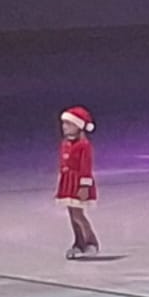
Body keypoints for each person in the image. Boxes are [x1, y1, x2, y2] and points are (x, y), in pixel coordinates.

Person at [56, 106, 99, 259]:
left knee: (77, 215)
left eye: (69, 124)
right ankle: (79, 243)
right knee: (72, 215)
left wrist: (84, 185)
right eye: (64, 123)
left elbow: (86, 166)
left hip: (79, 183)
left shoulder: (84, 145)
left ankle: (91, 242)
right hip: (68, 182)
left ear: (78, 126)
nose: (64, 127)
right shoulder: (65, 143)